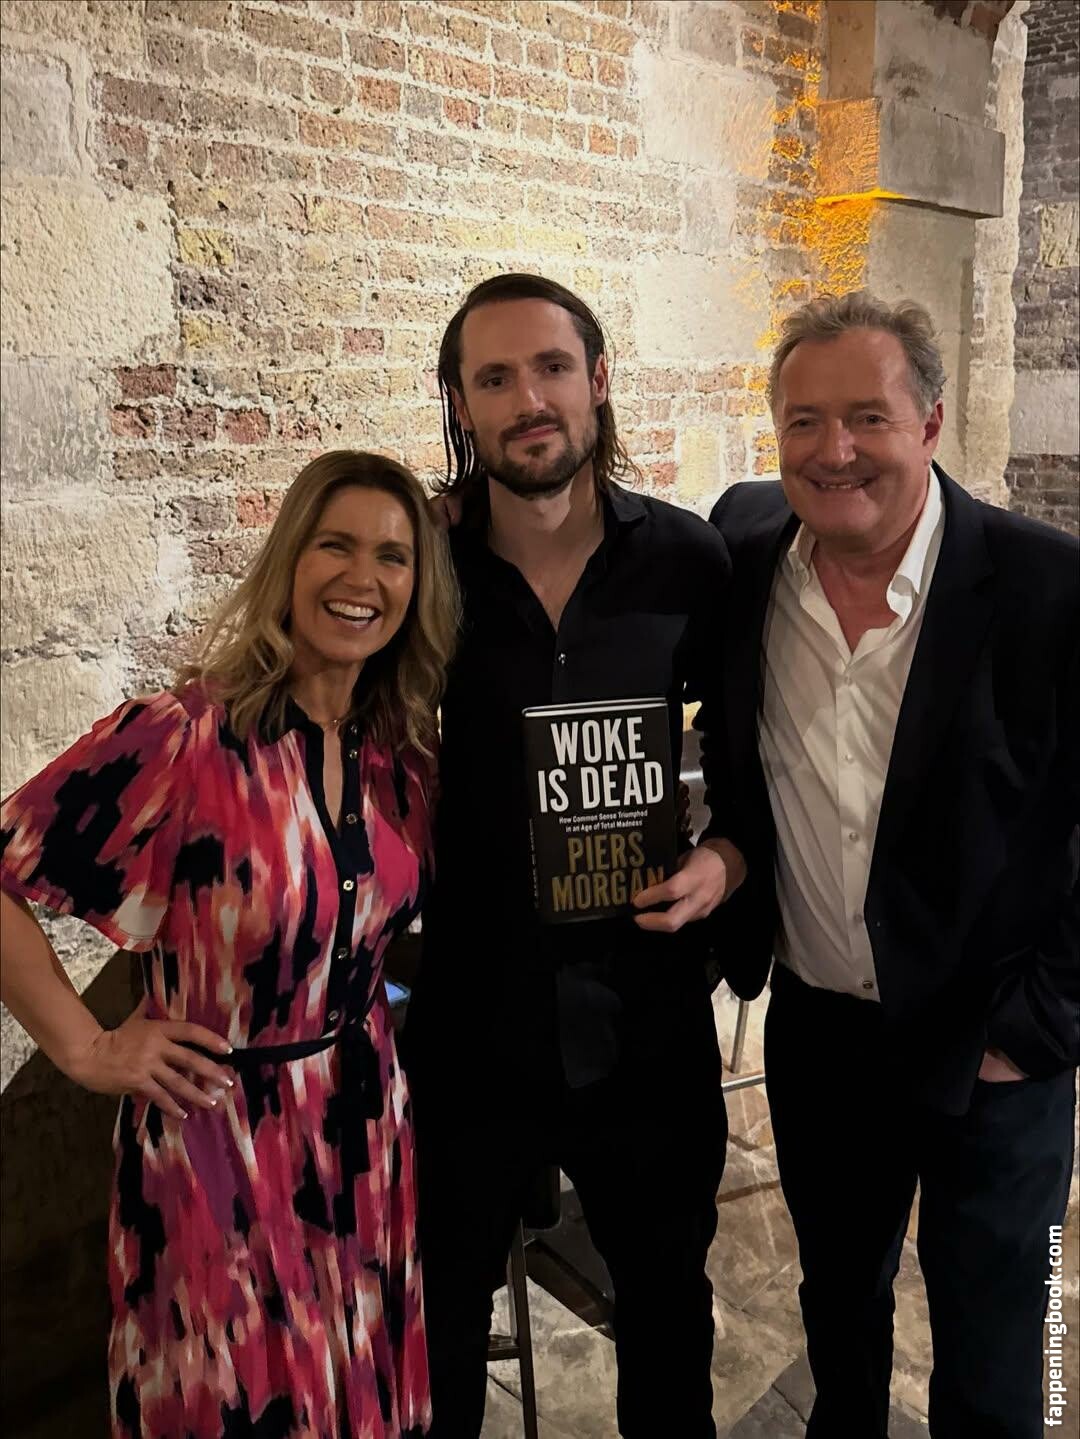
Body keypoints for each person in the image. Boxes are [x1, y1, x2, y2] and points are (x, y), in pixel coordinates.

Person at [0, 451, 460, 1439]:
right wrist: (87, 1046)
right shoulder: (186, 737)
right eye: (335, 544)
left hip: (364, 1135)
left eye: (393, 555)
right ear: (290, 559)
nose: (362, 577)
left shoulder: (401, 755)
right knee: (230, 1404)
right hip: (216, 1139)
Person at [708, 291, 1079, 1438]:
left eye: (867, 415)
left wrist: (1042, 1025)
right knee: (840, 1316)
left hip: (991, 1042)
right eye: (804, 420)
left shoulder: (1049, 586)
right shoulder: (743, 552)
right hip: (822, 1037)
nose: (834, 450)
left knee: (1005, 1356)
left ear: (929, 422)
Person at [402, 272, 751, 1439]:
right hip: (470, 1021)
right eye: (495, 378)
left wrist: (726, 859)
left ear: (598, 381)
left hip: (646, 1019)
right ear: (460, 403)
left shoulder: (690, 561)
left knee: (667, 1313)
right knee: (441, 1320)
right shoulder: (420, 566)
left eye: (551, 367)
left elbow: (745, 757)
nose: (529, 399)